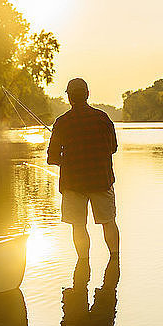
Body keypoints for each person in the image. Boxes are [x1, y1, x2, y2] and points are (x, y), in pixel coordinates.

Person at [47, 78, 120, 258]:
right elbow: (113, 148)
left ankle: (83, 263)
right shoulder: (103, 118)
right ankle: (115, 260)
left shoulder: (62, 122)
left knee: (78, 225)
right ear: (87, 95)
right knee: (108, 222)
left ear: (69, 98)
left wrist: (66, 160)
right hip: (101, 180)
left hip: (73, 184)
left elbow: (52, 158)